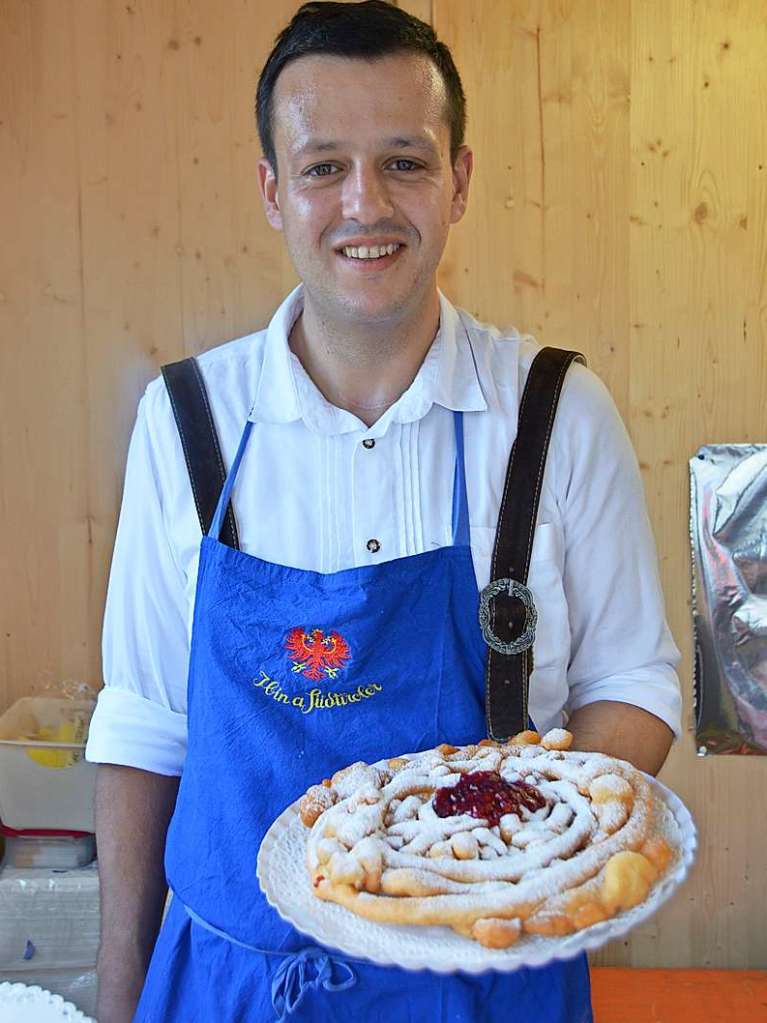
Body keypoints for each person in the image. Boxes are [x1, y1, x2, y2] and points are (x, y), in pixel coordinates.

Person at [86, 2, 682, 1021]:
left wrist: (516, 844)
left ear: (457, 179)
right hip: (233, 985)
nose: (364, 203)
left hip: (488, 983)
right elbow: (147, 732)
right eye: (323, 167)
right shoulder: (186, 422)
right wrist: (117, 994)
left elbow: (632, 681)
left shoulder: (553, 412)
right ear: (272, 192)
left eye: (403, 162)